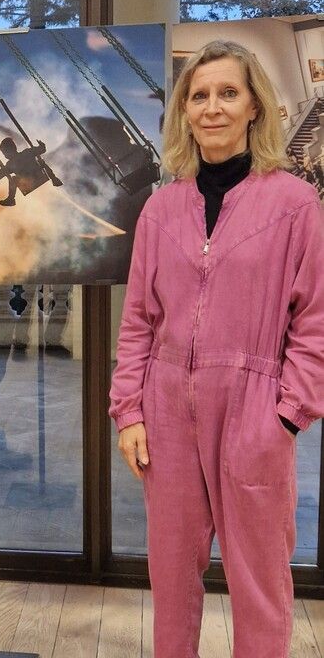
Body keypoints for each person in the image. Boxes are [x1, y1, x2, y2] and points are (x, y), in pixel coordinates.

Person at [109, 40, 323, 657]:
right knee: (171, 575)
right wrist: (129, 410)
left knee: (259, 578)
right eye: (199, 95)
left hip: (255, 407)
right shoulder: (161, 208)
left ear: (254, 105)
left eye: (228, 93)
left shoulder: (293, 204)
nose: (213, 108)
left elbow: (314, 321)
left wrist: (287, 414)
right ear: (184, 110)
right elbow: (140, 322)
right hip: (167, 407)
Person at [0, 136, 62, 206]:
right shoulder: (27, 152)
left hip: (33, 180)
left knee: (15, 178)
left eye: (4, 153)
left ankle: (11, 199)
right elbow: (42, 149)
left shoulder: (11, 164)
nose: (5, 155)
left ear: (9, 151)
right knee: (41, 163)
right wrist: (42, 145)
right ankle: (54, 179)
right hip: (33, 180)